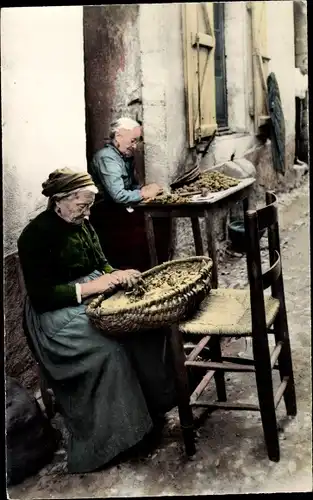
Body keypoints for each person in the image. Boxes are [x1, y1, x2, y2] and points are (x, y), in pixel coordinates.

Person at [17, 167, 177, 474]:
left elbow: (100, 261)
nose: (88, 213)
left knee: (142, 328)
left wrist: (115, 274)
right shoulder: (35, 235)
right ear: (60, 201)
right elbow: (42, 297)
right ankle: (113, 439)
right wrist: (96, 286)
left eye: (90, 205)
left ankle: (150, 411)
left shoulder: (82, 224)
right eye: (83, 205)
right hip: (55, 317)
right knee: (110, 350)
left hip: (91, 295)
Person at [89, 117, 171, 271]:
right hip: (106, 214)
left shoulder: (124, 156)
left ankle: (154, 270)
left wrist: (144, 191)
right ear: (118, 136)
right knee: (139, 238)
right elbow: (118, 195)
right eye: (132, 141)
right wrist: (142, 193)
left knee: (160, 222)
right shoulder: (107, 157)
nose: (134, 146)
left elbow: (131, 185)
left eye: (136, 141)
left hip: (119, 210)